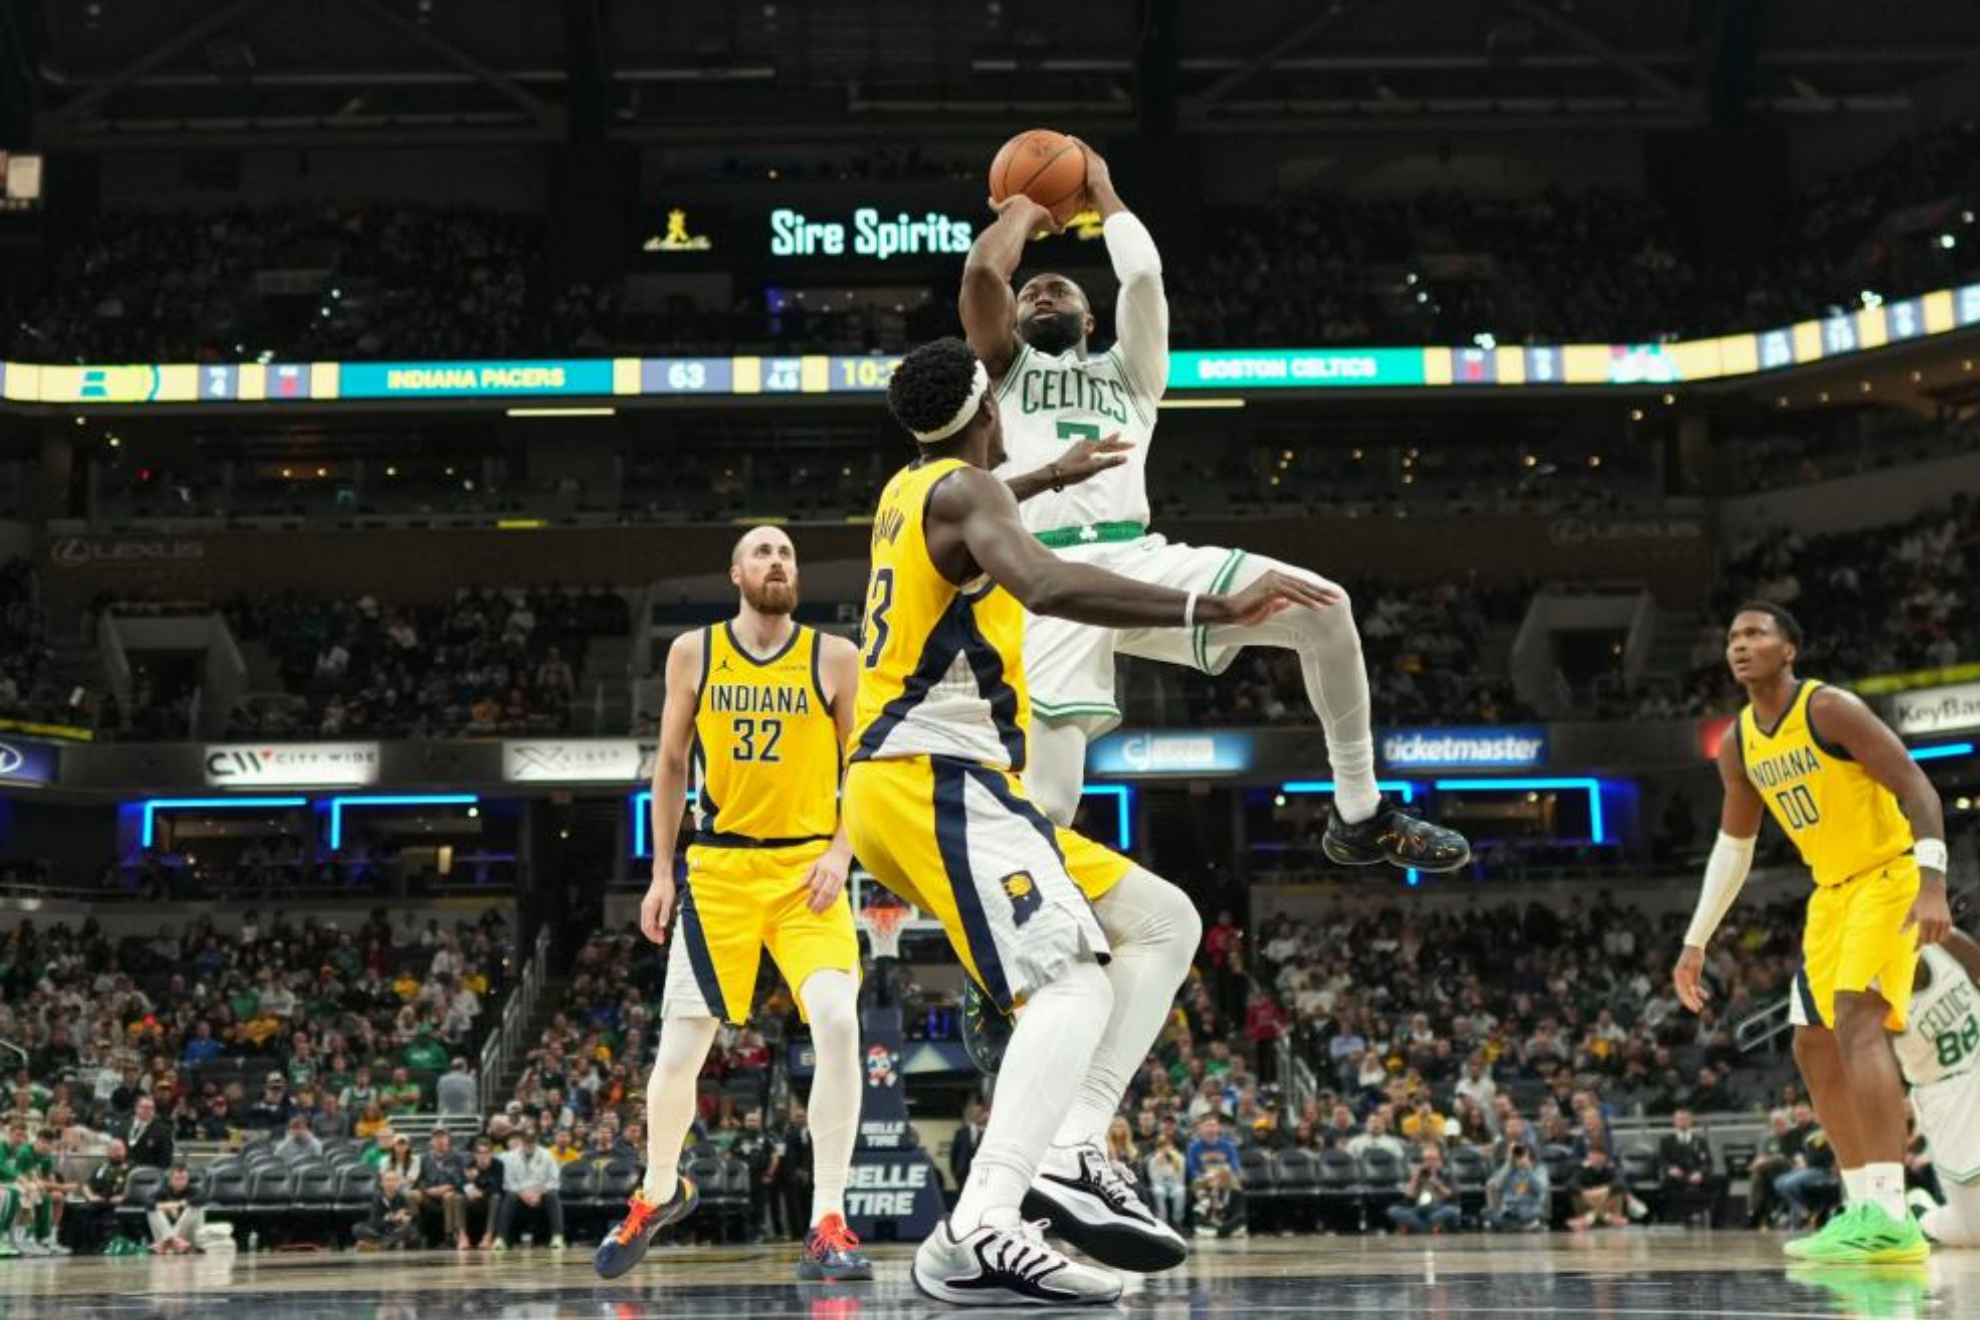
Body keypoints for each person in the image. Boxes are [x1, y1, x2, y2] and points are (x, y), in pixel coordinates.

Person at [850, 338, 1323, 1303]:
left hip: (938, 788)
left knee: (1163, 921)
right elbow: (1050, 586)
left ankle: (1058, 1156)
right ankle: (986, 1217)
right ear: (989, 411)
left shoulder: (914, 488)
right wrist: (1210, 602)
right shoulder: (969, 495)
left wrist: (1045, 476)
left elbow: (977, 516)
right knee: (1071, 987)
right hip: (933, 776)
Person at [960, 142, 1471, 854]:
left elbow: (1141, 274)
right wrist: (1023, 208)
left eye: (1062, 290)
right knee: (1049, 803)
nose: (1043, 293)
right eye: (1033, 291)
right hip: (1047, 581)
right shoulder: (1006, 373)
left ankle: (1359, 812)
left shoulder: (1132, 374)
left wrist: (1102, 187)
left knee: (1327, 609)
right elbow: (985, 271)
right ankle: (1018, 941)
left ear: (1091, 321)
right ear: (1015, 321)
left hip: (1138, 558)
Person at [596, 526, 873, 1285]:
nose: (778, 561)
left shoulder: (835, 656)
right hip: (718, 872)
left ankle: (826, 1218)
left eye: (786, 553)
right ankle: (657, 1191)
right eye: (763, 552)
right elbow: (673, 763)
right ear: (736, 574)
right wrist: (659, 873)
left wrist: (842, 851)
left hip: (806, 871)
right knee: (680, 1050)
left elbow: (868, 767)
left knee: (842, 1023)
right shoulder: (695, 651)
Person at [1675, 602, 1950, 1265]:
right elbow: (1733, 847)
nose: (1739, 645)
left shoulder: (1830, 709)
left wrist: (1933, 880)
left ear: (1789, 649)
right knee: (1811, 1044)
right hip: (1832, 894)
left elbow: (1916, 786)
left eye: (1755, 633)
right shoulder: (1740, 742)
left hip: (1890, 876)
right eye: (1732, 636)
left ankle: (1892, 1209)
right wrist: (1696, 939)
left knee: (1858, 1017)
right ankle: (1862, 1208)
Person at [1891, 928, 1980, 1246]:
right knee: (1974, 1232)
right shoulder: (1874, 991)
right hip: (1942, 1097)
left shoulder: (1946, 941)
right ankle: (1919, 1212)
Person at [498, 1126, 565, 1250]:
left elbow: (554, 1181)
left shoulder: (547, 1155)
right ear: (522, 1141)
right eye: (526, 1141)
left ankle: (558, 1236)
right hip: (520, 1195)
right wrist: (523, 1195)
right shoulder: (511, 1157)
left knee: (553, 1195)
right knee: (509, 1196)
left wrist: (539, 1193)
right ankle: (501, 1238)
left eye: (532, 1141)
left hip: (541, 1195)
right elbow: (508, 1182)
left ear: (537, 1141)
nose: (529, 1144)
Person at [1184, 1115, 1247, 1240]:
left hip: (1224, 1176)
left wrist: (1220, 1174)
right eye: (1207, 1125)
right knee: (1198, 1186)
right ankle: (1204, 1223)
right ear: (1200, 1129)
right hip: (1204, 1178)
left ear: (1218, 1128)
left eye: (1213, 1125)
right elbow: (1192, 1169)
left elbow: (1235, 1165)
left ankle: (1235, 1223)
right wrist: (1206, 1177)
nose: (1210, 1129)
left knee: (1237, 1187)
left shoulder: (1228, 1145)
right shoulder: (1193, 1147)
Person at [1658, 1108, 1723, 1225]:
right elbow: (1663, 1161)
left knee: (1722, 1180)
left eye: (1685, 1119)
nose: (1682, 1122)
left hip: (1696, 1176)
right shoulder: (1666, 1141)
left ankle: (1716, 1221)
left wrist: (1700, 1173)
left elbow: (1708, 1162)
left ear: (1690, 1121)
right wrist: (1670, 1169)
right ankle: (1676, 1219)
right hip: (1677, 1177)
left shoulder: (1700, 1140)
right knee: (1668, 1182)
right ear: (1674, 1121)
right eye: (1679, 1119)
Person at [1387, 1142, 1461, 1236]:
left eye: (1432, 1159)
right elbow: (1409, 1195)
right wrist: (1416, 1176)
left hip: (1438, 1209)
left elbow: (1452, 1196)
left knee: (1453, 1211)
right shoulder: (1419, 1173)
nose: (1429, 1162)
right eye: (1426, 1159)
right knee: (1393, 1211)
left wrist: (1438, 1185)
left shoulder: (1447, 1173)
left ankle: (1421, 1229)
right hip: (1418, 1210)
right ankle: (1428, 1229)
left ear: (1439, 1159)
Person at [416, 1129, 469, 1250]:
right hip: (429, 1193)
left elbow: (463, 1179)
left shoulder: (458, 1157)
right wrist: (427, 1189)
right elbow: (419, 1179)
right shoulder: (424, 1158)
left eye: (443, 1137)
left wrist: (450, 1187)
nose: (440, 1140)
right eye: (436, 1138)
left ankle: (450, 1235)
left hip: (450, 1192)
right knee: (414, 1195)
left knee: (449, 1197)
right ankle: (416, 1235)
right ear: (431, 1141)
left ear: (448, 1139)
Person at [1486, 1143, 1550, 1232]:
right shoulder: (1508, 1169)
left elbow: (1540, 1189)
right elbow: (1497, 1185)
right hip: (1509, 1210)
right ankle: (1515, 1225)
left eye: (1522, 1154)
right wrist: (1509, 1163)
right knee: (1488, 1215)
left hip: (1529, 1209)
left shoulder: (1539, 1169)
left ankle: (1522, 1225)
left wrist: (1528, 1169)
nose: (1519, 1157)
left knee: (1529, 1216)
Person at [354, 1168, 420, 1251]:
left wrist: (407, 1218)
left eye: (394, 1180)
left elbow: (411, 1216)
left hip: (396, 1231)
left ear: (398, 1183)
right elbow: (375, 1222)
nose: (391, 1183)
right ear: (382, 1183)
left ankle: (379, 1246)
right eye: (388, 1180)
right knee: (357, 1228)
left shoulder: (403, 1198)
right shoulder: (377, 1198)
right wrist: (393, 1217)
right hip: (380, 1232)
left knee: (409, 1229)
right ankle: (390, 1244)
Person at [147, 1163, 205, 1255]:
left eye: (183, 1179)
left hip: (186, 1240)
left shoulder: (193, 1190)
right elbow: (147, 1203)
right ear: (170, 1180)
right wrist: (166, 1206)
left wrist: (179, 1204)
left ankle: (170, 1240)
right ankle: (173, 1240)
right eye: (177, 1179)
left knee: (196, 1207)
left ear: (188, 1179)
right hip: (175, 1242)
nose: (180, 1182)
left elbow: (203, 1199)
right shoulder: (164, 1190)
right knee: (153, 1209)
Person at [1567, 1145, 1629, 1231]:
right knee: (1576, 1195)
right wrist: (1585, 1192)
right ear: (1588, 1157)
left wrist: (1605, 1189)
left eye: (1598, 1155)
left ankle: (1588, 1218)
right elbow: (1570, 1184)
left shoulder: (1610, 1169)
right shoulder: (1583, 1170)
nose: (1595, 1158)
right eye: (1592, 1155)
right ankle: (1608, 1217)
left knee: (1618, 1192)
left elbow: (1621, 1182)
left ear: (1604, 1157)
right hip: (1588, 1203)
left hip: (1606, 1203)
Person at [462, 1136, 505, 1250]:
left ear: (491, 1153)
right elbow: (464, 1185)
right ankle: (462, 1237)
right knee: (459, 1198)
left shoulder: (498, 1165)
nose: (483, 1156)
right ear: (475, 1154)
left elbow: (498, 1187)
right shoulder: (470, 1166)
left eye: (486, 1152)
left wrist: (483, 1193)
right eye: (480, 1153)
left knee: (496, 1197)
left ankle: (488, 1235)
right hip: (474, 1199)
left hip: (490, 1198)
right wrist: (471, 1181)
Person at [123, 1096, 172, 1170]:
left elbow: (165, 1159)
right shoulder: (125, 1125)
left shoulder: (162, 1131)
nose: (147, 1110)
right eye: (144, 1107)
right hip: (124, 1171)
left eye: (150, 1108)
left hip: (148, 1174)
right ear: (136, 1108)